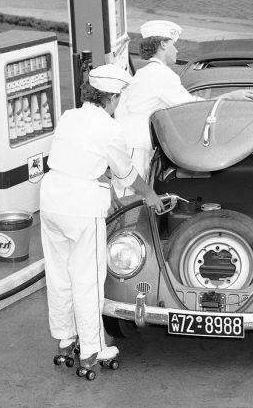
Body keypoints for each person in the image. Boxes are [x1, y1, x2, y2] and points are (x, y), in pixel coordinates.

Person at [39, 64, 161, 375]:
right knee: (87, 280)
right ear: (112, 97)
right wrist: (150, 195)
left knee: (58, 276)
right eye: (119, 97)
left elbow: (81, 156)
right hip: (81, 207)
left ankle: (66, 341)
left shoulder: (70, 117)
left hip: (52, 200)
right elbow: (127, 173)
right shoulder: (110, 129)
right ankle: (93, 350)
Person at [114, 20, 253, 178]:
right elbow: (191, 108)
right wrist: (230, 97)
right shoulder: (161, 75)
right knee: (130, 195)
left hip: (130, 142)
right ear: (163, 44)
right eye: (173, 44)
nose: (176, 50)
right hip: (137, 146)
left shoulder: (145, 72)